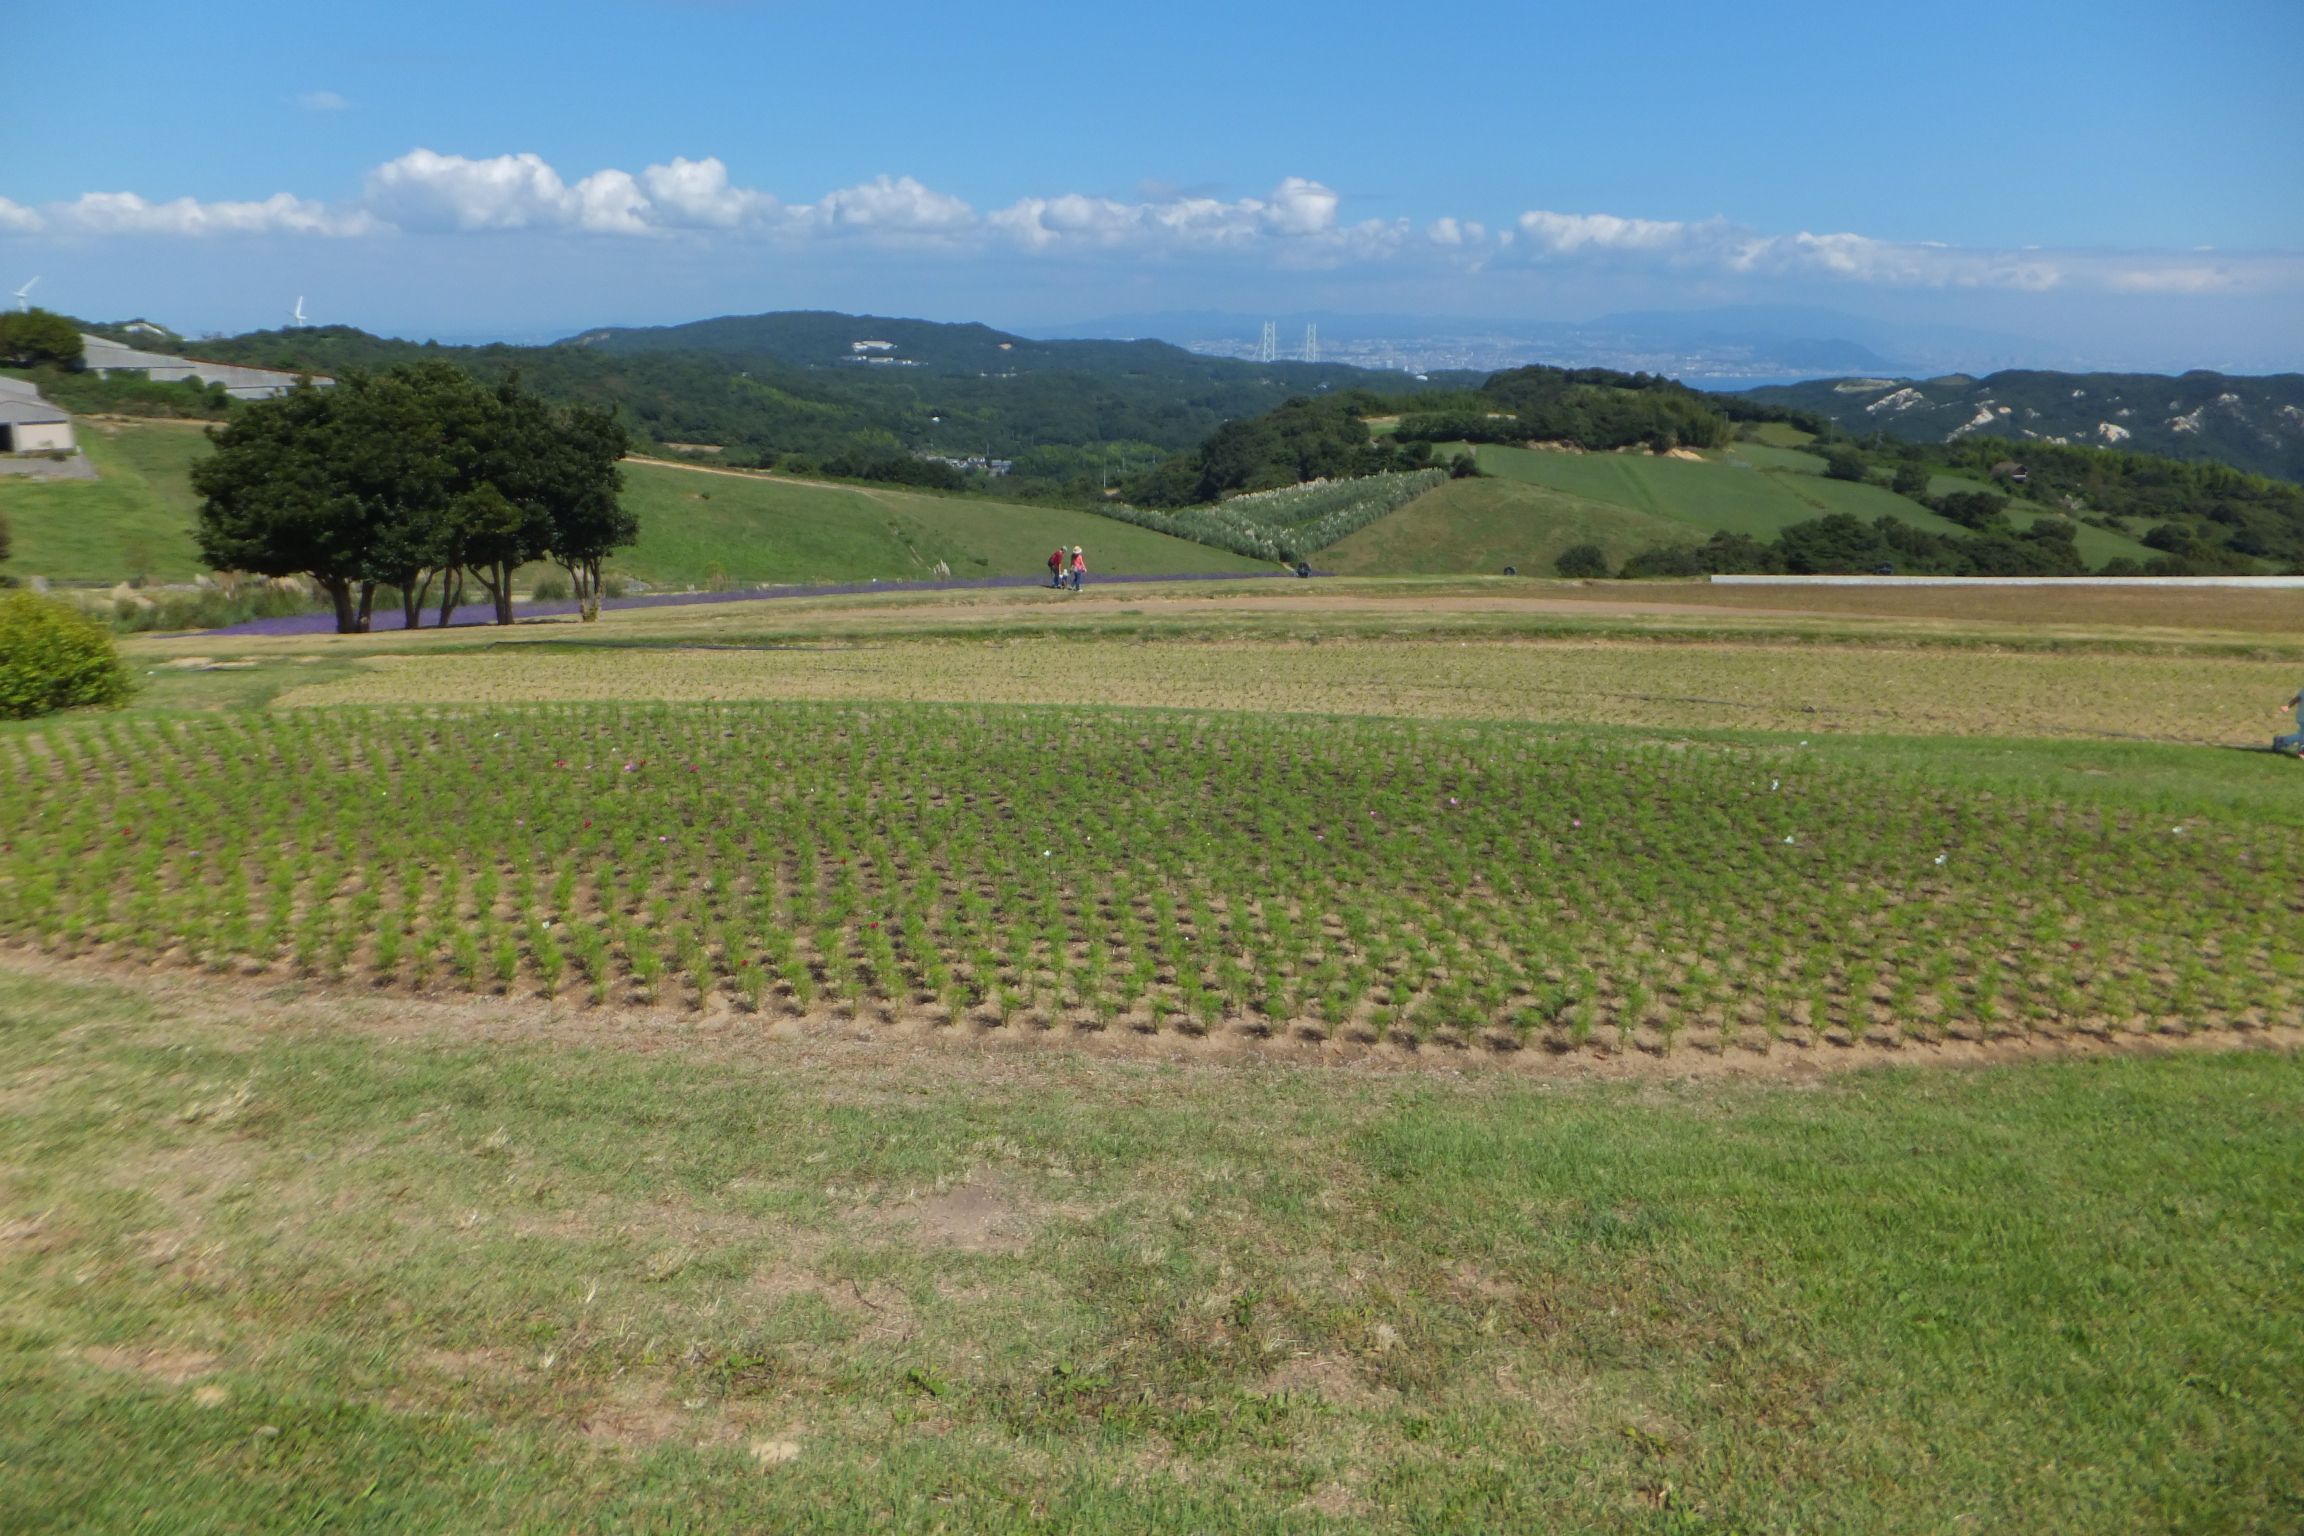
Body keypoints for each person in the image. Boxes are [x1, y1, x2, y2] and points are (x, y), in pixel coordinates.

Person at [2277, 683, 2304, 758]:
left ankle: (2281, 741)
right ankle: (2282, 741)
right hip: (2303, 717)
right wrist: (2287, 706)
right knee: (2302, 735)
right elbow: (2298, 698)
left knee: (2302, 734)